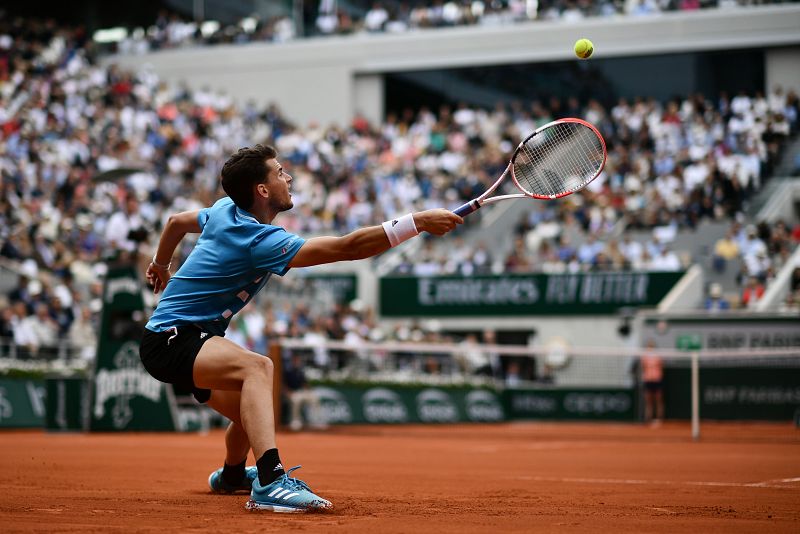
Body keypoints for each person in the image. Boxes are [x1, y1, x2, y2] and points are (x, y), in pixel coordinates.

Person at [139, 144, 461, 512]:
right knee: (258, 368)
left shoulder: (225, 209)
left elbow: (175, 222)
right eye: (279, 172)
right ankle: (272, 482)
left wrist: (160, 263)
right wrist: (415, 222)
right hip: (172, 339)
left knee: (252, 408)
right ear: (262, 190)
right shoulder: (255, 238)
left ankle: (231, 476)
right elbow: (348, 247)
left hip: (184, 338)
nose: (288, 177)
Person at [284, 353, 326, 431]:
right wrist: (288, 393)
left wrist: (309, 391)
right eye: (295, 361)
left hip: (302, 392)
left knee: (315, 398)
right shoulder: (288, 372)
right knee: (296, 400)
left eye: (298, 361)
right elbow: (284, 385)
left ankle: (317, 420)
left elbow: (305, 384)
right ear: (292, 361)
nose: (297, 362)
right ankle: (295, 421)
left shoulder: (301, 371)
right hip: (293, 392)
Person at [640, 339, 664, 426]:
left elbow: (661, 367)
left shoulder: (658, 356)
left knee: (658, 400)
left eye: (652, 346)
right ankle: (648, 419)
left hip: (657, 380)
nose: (650, 347)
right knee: (648, 401)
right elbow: (643, 367)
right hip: (648, 380)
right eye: (649, 346)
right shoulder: (644, 357)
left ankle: (659, 419)